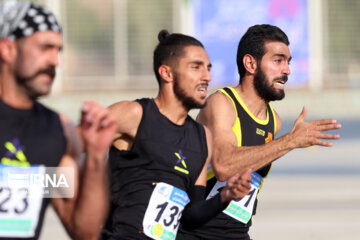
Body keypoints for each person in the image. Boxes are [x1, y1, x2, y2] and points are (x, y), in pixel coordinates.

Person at [177, 24, 342, 240]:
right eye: (278, 60)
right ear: (250, 64)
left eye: (288, 62)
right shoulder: (222, 104)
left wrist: (288, 141)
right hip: (196, 234)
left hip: (236, 233)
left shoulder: (274, 122)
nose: (287, 70)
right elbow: (224, 166)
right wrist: (290, 142)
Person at [100, 29, 252, 240]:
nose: (207, 76)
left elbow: (190, 218)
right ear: (167, 73)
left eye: (208, 68)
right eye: (196, 67)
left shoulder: (202, 138)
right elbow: (68, 147)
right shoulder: (134, 114)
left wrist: (225, 197)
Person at [0, 2, 116, 240]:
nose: (55, 61)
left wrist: (95, 155)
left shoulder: (56, 132)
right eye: (45, 47)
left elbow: (83, 231)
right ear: (8, 49)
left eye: (58, 50)